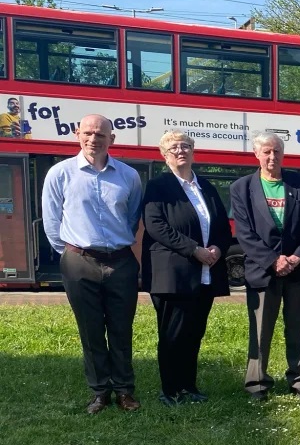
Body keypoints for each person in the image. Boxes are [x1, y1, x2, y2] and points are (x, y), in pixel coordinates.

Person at [41, 114, 143, 413]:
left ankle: (125, 390)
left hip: (121, 263)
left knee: (122, 330)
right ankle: (100, 392)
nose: (93, 139)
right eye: (87, 133)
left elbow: (133, 217)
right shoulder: (60, 174)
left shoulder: (129, 176)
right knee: (91, 331)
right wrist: (72, 253)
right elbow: (51, 220)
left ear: (112, 139)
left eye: (100, 134)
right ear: (77, 134)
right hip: (79, 262)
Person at [141, 131, 232, 406]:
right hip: (173, 274)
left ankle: (189, 386)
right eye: (174, 147)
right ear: (164, 155)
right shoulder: (158, 186)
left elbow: (221, 225)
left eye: (186, 146)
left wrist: (217, 247)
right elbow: (156, 226)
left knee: (194, 333)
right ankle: (170, 390)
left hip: (204, 274)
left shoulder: (206, 186)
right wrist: (194, 249)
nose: (181, 151)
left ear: (193, 151)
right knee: (173, 334)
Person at [230, 131, 300, 400]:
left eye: (276, 151)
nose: (272, 156)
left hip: (298, 270)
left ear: (283, 154)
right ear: (256, 154)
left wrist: (297, 257)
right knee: (260, 331)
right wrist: (273, 260)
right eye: (266, 151)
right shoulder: (241, 188)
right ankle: (257, 384)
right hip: (262, 271)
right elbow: (244, 233)